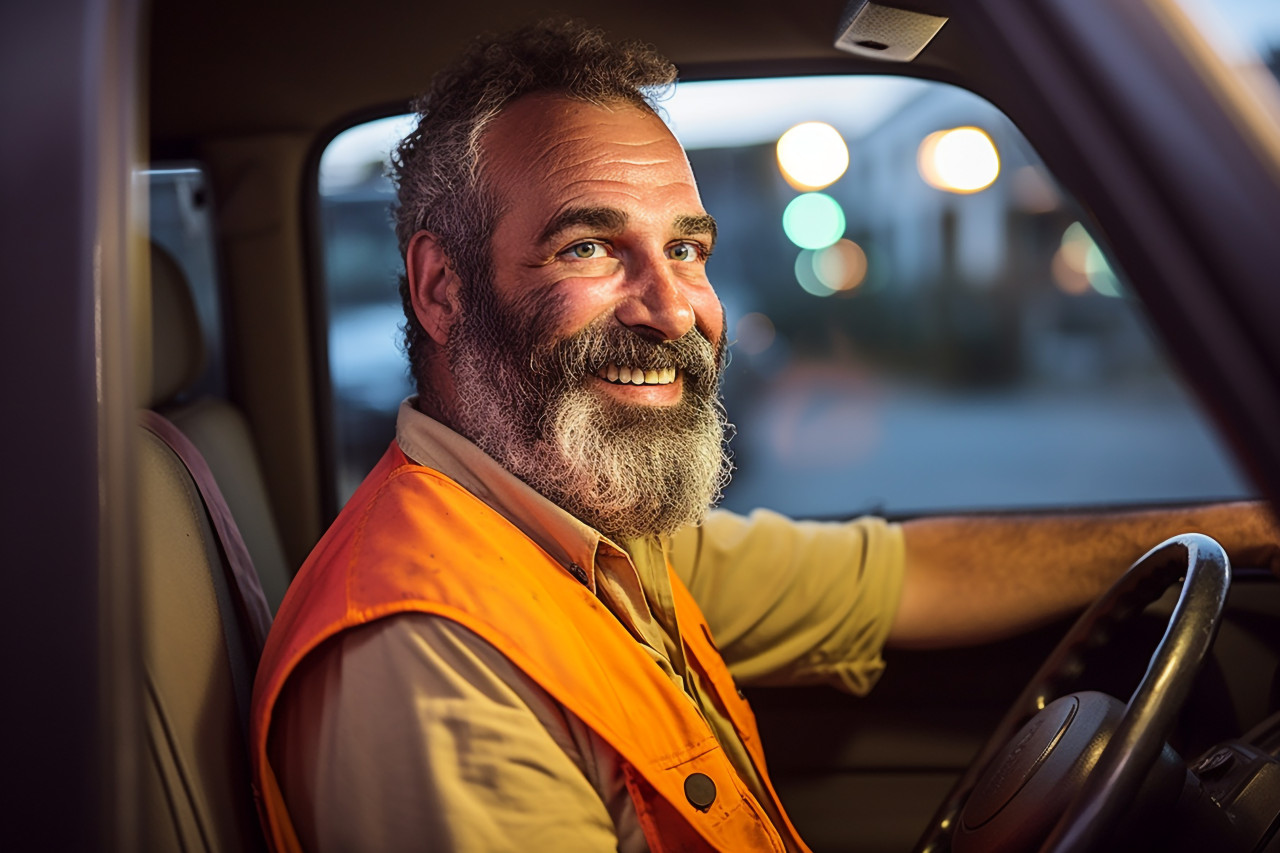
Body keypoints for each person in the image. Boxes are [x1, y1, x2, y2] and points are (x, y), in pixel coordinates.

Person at [248, 19, 1279, 853]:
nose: (672, 308)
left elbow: (901, 575)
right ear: (441, 287)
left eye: (687, 248)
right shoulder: (430, 660)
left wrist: (1250, 525)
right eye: (588, 245)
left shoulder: (580, 537)